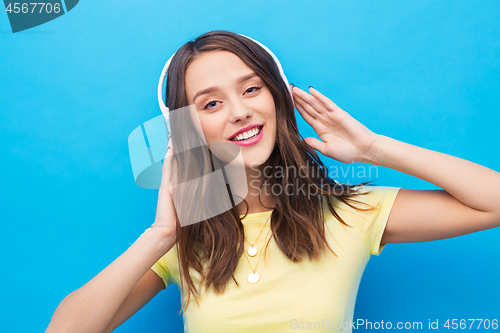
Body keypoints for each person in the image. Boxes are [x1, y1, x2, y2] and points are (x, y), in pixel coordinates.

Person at [46, 30, 500, 333]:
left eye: (250, 89)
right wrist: (162, 233)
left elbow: (493, 202)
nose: (239, 111)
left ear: (277, 100)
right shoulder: (182, 243)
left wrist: (373, 150)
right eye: (210, 104)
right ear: (186, 134)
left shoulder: (349, 213)